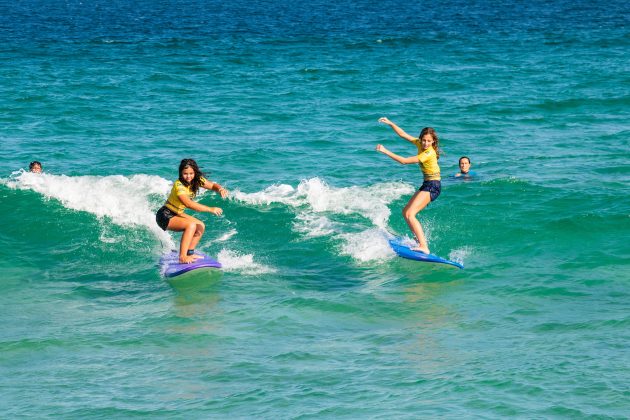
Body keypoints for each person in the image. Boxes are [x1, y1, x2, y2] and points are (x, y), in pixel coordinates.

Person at [376, 117, 441, 254]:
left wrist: (385, 151)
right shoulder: (419, 144)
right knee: (405, 212)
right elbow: (403, 134)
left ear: (433, 141)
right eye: (424, 140)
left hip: (433, 185)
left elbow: (404, 161)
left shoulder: (429, 153)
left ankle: (424, 246)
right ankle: (418, 242)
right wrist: (391, 123)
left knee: (411, 214)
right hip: (427, 183)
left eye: (429, 141)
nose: (425, 143)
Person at [156, 158, 229, 263]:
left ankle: (189, 253)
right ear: (181, 173)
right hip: (165, 215)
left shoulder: (197, 180)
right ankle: (182, 257)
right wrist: (210, 209)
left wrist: (220, 189)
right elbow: (188, 203)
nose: (189, 176)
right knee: (191, 225)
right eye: (185, 173)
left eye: (191, 173)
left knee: (200, 226)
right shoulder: (179, 185)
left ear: (195, 172)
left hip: (177, 213)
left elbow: (213, 185)